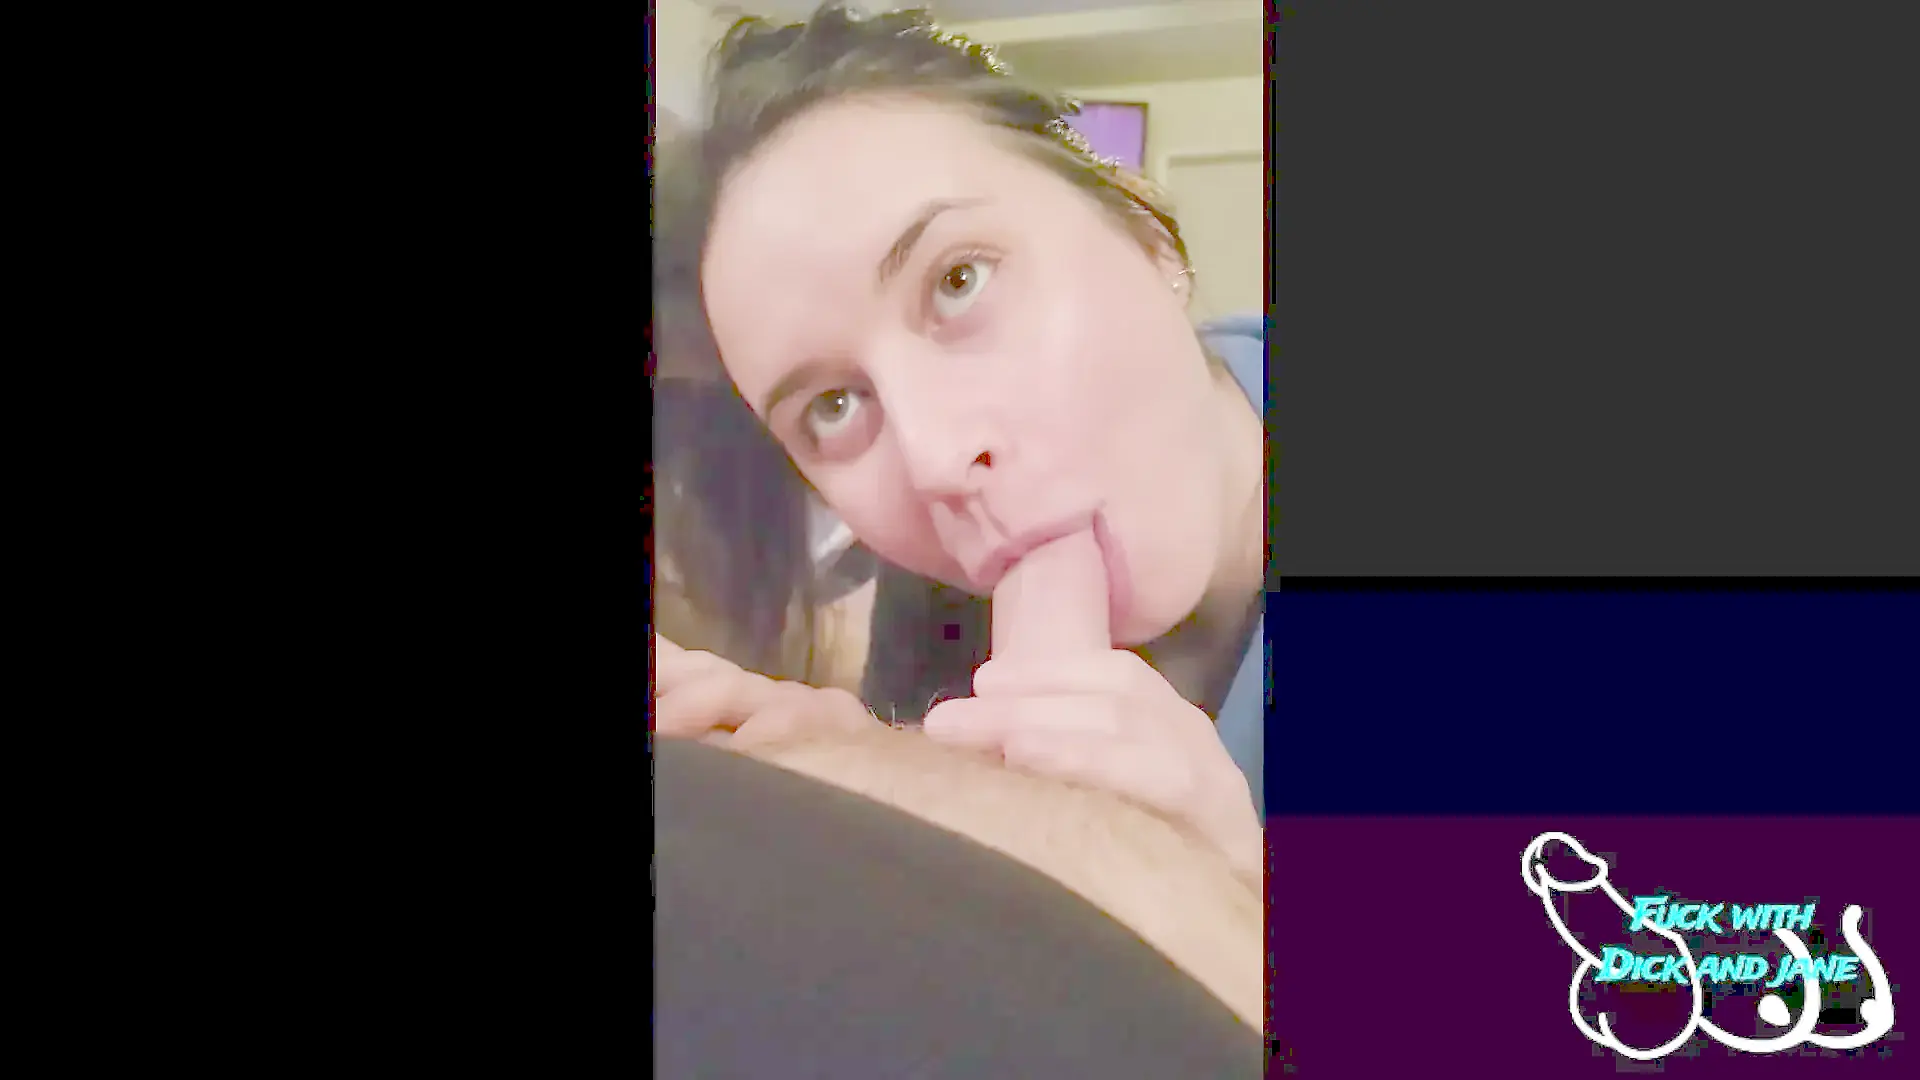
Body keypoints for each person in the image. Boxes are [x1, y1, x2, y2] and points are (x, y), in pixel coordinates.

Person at [651, 4, 1268, 878]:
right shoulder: (934, 607)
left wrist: (1240, 907)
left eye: (958, 280)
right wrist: (881, 768)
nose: (935, 458)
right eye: (833, 406)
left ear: (1142, 226)